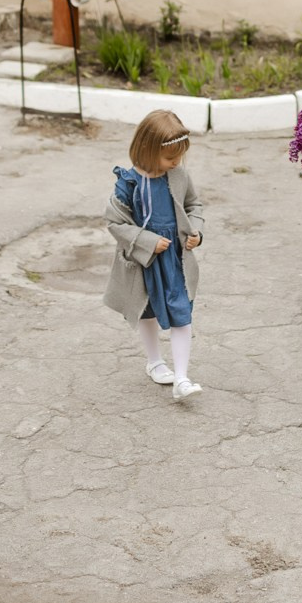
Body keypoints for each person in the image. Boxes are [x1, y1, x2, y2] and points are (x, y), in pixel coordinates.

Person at [103, 110, 206, 401]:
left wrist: (195, 231)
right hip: (143, 263)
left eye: (179, 158)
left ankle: (182, 378)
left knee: (181, 314)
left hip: (175, 260)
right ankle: (155, 362)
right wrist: (147, 241)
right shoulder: (128, 182)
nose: (176, 164)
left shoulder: (179, 176)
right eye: (170, 158)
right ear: (147, 150)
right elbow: (115, 222)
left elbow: (194, 206)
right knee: (145, 311)